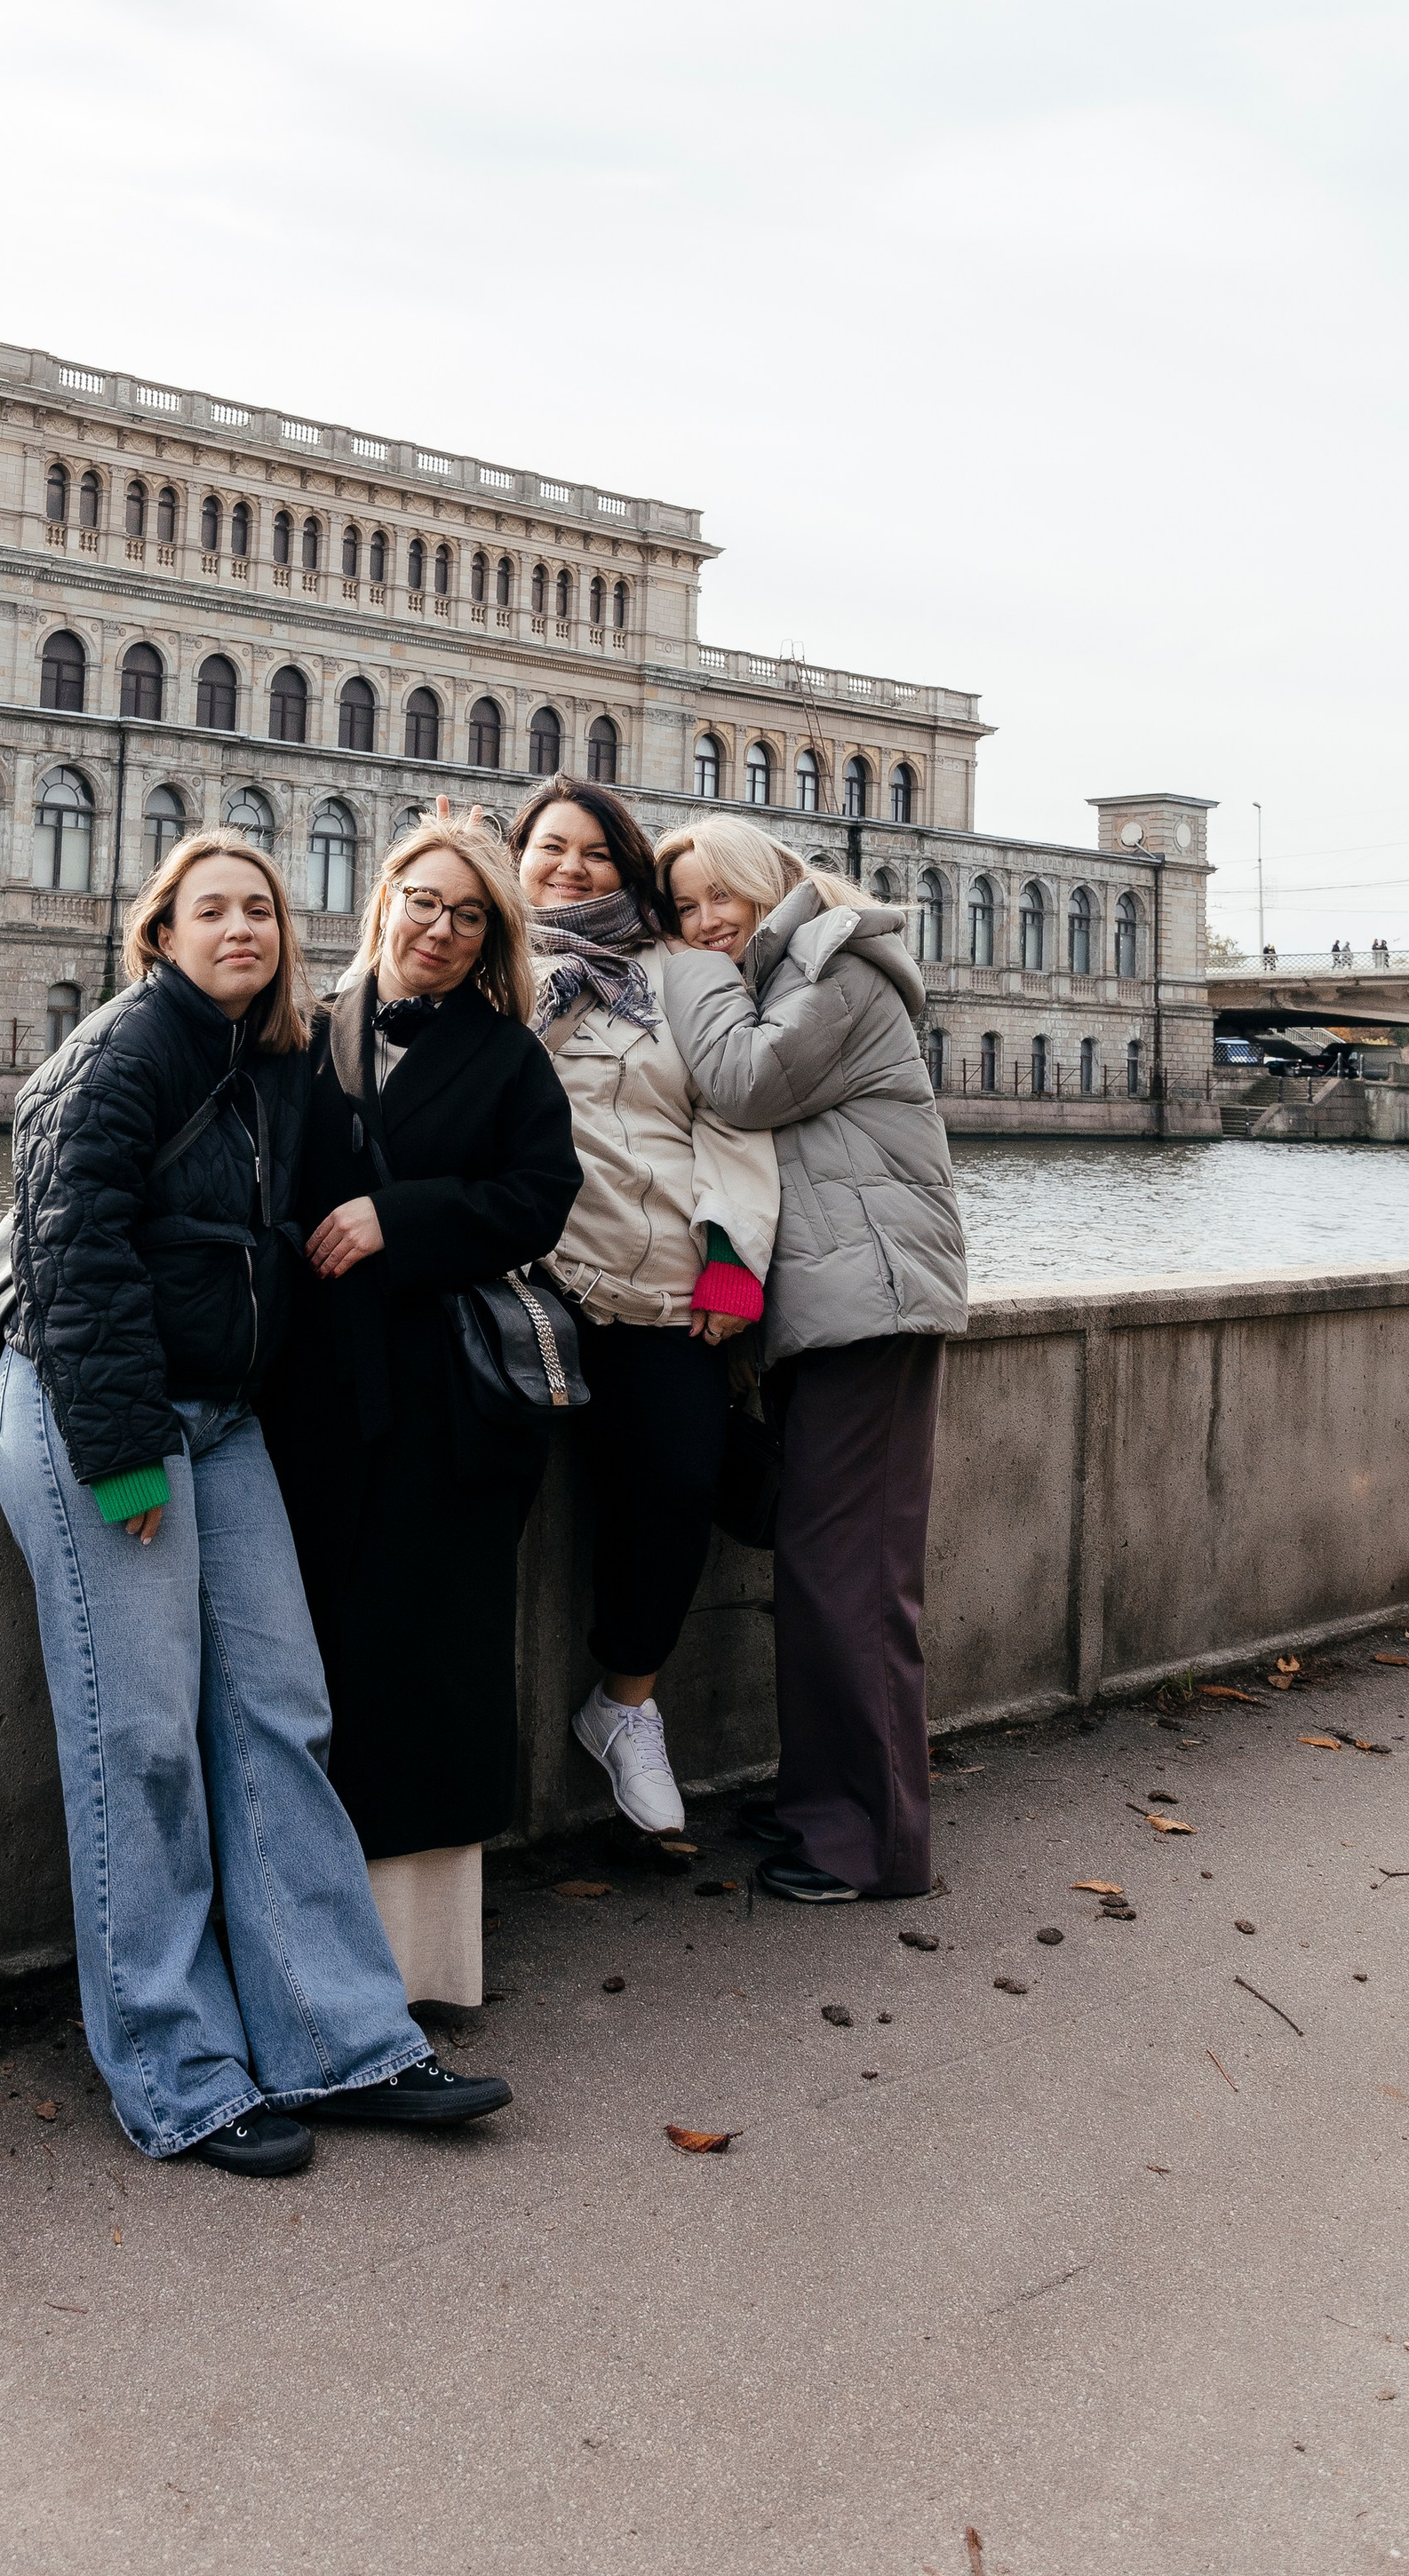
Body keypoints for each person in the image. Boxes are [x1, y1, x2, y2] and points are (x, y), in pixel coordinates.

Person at [0, 833, 512, 2179]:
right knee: (143, 1740)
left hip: (221, 1421)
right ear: (158, 932)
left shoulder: (276, 1063)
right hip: (103, 1416)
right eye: (211, 909)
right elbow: (69, 1248)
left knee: (284, 1712)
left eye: (263, 909)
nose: (242, 928)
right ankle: (176, 2073)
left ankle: (338, 2039)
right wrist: (118, 1454)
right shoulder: (122, 1051)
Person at [270, 818, 581, 2015]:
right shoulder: (302, 1034)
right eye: (425, 903)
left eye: (469, 917)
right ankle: (306, 1944)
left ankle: (423, 1968)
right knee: (317, 1670)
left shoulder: (510, 1060)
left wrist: (403, 1218)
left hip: (447, 1414)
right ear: (383, 898)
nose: (441, 931)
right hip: (310, 1404)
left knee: (433, 1675)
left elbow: (540, 1200)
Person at [656, 812, 968, 1906]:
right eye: (681, 907)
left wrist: (681, 971)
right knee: (825, 1572)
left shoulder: (833, 970)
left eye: (715, 899)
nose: (701, 922)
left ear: (765, 885)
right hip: (834, 1307)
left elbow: (742, 1084)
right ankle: (826, 1797)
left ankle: (871, 1842)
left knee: (852, 1583)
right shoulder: (784, 974)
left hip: (871, 1308)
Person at [505, 777, 781, 1839]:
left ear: (629, 873)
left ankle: (624, 1709)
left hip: (666, 1281)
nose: (570, 870)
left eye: (597, 855)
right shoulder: (487, 961)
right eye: (549, 849)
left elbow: (733, 1121)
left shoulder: (682, 977)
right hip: (539, 1284)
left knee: (675, 1483)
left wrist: (729, 1260)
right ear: (516, 856)